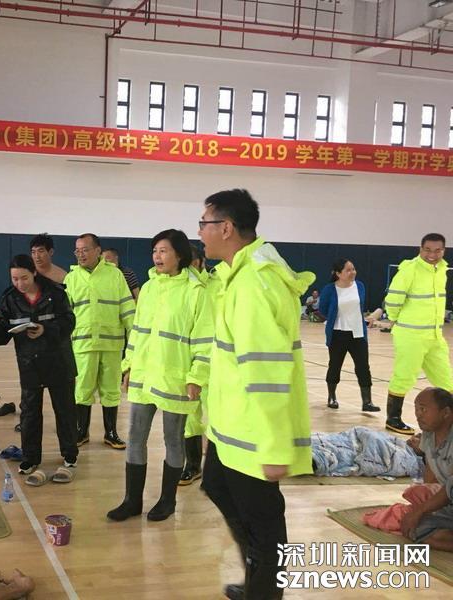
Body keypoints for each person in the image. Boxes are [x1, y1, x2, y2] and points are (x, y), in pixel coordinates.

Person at [197, 189, 313, 600]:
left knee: (265, 526)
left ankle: (264, 589)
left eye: (204, 224)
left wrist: (275, 445)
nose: (200, 232)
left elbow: (266, 372)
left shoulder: (253, 283)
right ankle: (257, 577)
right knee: (216, 487)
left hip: (255, 437)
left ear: (226, 228)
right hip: (231, 427)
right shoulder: (235, 275)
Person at [108, 230, 213, 522]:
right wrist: (128, 366)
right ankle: (132, 501)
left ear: (180, 255)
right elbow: (138, 332)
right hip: (144, 375)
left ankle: (168, 501)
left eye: (164, 251)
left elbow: (204, 340)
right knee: (135, 437)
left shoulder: (196, 291)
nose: (157, 256)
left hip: (175, 378)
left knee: (173, 440)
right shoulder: (149, 288)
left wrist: (197, 376)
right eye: (155, 251)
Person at [0, 254, 79, 481]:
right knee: (30, 413)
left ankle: (70, 455)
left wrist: (46, 330)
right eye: (14, 279)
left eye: (24, 278)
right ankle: (31, 457)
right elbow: (2, 334)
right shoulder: (10, 299)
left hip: (58, 362)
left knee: (65, 411)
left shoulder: (55, 293)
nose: (20, 284)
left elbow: (69, 322)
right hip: (29, 364)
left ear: (34, 272)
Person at [65, 234, 135, 450]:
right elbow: (65, 315)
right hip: (83, 345)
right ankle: (81, 431)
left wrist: (135, 338)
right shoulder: (71, 278)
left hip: (112, 345)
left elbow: (127, 308)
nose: (80, 254)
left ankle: (111, 433)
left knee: (111, 389)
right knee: (82, 389)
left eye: (85, 250)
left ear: (98, 251)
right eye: (77, 251)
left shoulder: (115, 275)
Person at [383, 233, 452, 435]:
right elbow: (393, 299)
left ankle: (449, 418)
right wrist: (394, 318)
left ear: (443, 251)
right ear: (420, 249)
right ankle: (393, 419)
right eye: (427, 249)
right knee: (404, 376)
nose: (432, 254)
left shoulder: (442, 270)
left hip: (434, 335)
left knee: (446, 379)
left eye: (437, 250)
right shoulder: (409, 269)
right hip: (410, 334)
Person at [318, 259, 380, 412]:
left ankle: (367, 402)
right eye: (348, 270)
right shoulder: (329, 289)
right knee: (335, 365)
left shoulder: (360, 286)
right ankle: (331, 397)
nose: (352, 272)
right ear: (338, 273)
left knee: (363, 367)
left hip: (358, 334)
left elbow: (360, 307)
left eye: (353, 269)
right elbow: (323, 309)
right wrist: (336, 317)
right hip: (337, 334)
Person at [401, 387, 453, 551]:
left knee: (419, 519)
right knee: (415, 528)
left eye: (423, 409)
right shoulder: (429, 435)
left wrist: (421, 510)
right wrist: (424, 505)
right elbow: (431, 476)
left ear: (446, 412)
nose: (418, 415)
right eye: (416, 409)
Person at [181, 243, 215, 486]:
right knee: (190, 415)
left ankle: (216, 467)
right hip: (189, 360)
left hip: (218, 362)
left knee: (216, 416)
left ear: (199, 262)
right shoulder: (183, 288)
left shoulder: (218, 285)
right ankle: (192, 466)